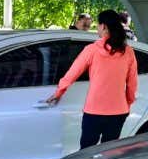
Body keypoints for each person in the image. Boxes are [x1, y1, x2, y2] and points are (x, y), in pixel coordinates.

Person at [44, 10, 138, 150]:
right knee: (110, 153)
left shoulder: (91, 50)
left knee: (87, 153)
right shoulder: (128, 51)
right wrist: (127, 103)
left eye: (98, 25)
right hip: (118, 112)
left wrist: (59, 92)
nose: (97, 29)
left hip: (94, 111)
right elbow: (132, 84)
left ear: (104, 26)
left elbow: (72, 74)